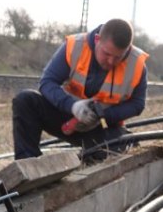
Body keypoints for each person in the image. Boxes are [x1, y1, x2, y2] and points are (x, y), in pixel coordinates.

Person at [12, 18, 149, 162]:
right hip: (66, 115)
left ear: (127, 49)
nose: (111, 62)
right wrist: (72, 106)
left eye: (118, 57)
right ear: (97, 39)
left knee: (129, 149)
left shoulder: (137, 65)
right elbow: (47, 82)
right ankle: (27, 165)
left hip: (102, 126)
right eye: (107, 54)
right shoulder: (75, 46)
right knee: (25, 100)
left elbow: (138, 104)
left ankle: (88, 164)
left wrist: (105, 115)